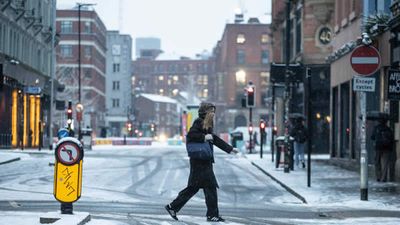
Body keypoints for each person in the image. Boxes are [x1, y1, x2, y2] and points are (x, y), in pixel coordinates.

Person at [165, 102, 239, 222]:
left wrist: (229, 149)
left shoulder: (206, 123)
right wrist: (204, 137)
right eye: (212, 111)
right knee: (210, 187)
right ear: (206, 112)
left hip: (201, 160)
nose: (214, 114)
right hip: (200, 161)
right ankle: (212, 214)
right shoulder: (199, 122)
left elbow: (214, 139)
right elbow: (191, 135)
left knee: (194, 188)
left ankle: (173, 207)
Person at [371, 118, 394, 182]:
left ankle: (378, 177)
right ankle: (383, 178)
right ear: (386, 122)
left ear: (379, 121)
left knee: (377, 162)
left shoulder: (376, 128)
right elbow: (392, 139)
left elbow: (372, 137)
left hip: (378, 148)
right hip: (387, 148)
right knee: (385, 164)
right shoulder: (388, 129)